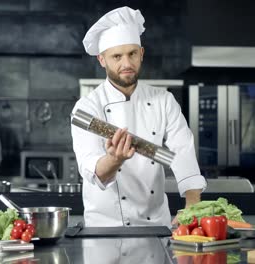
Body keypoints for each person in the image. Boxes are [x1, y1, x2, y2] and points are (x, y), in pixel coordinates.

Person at [71, 6, 207, 227]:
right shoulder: (86, 109)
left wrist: (192, 204)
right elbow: (95, 172)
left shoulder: (164, 101)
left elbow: (181, 153)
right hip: (106, 229)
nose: (127, 64)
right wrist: (115, 160)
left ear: (141, 53)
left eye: (132, 54)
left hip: (156, 225)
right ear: (102, 60)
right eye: (117, 56)